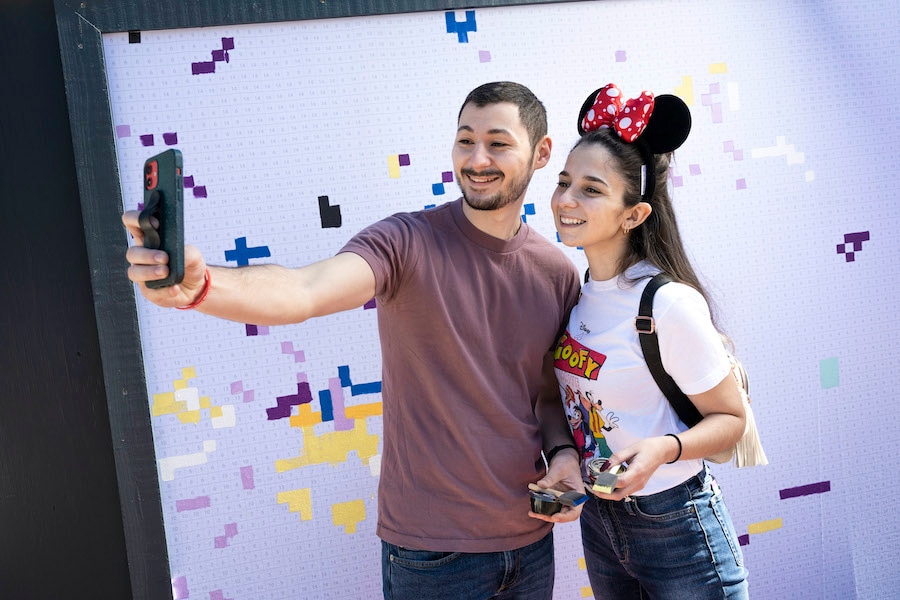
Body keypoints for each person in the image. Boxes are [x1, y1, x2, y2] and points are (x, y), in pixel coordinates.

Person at [124, 81, 585, 600]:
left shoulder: (556, 272)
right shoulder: (405, 241)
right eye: (464, 140)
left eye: (498, 143)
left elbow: (548, 395)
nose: (477, 158)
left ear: (541, 152)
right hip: (433, 555)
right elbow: (303, 290)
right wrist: (203, 286)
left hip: (530, 541)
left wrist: (564, 454)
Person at [550, 83, 750, 599]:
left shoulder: (667, 304)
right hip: (601, 520)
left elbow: (731, 422)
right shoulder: (575, 297)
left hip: (675, 525)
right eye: (564, 182)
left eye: (591, 190)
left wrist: (664, 449)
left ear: (634, 214)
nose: (566, 201)